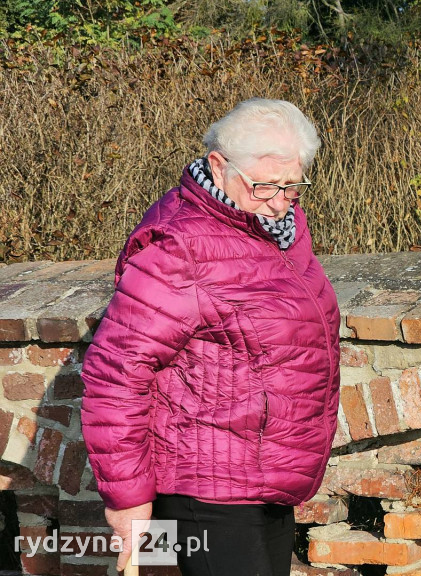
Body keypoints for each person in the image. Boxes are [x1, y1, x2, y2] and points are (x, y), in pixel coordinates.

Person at [81, 98, 341, 576]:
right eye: (264, 185)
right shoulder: (180, 247)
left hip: (266, 480)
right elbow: (117, 372)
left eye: (292, 185)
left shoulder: (280, 232)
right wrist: (128, 501)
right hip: (206, 488)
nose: (280, 201)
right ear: (219, 168)